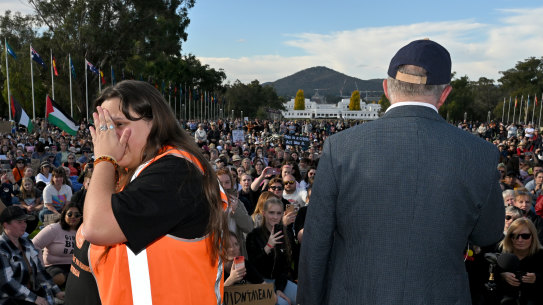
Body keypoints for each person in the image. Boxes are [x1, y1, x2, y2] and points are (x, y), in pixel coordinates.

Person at [297, 39, 505, 305]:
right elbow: (488, 235)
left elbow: (316, 246)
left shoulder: (341, 147)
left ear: (386, 88)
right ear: (445, 94)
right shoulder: (480, 153)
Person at [79, 80, 229, 305]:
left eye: (117, 124)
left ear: (155, 122)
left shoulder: (176, 172)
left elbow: (96, 227)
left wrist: (103, 158)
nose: (108, 136)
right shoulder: (134, 172)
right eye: (103, 127)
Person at [0, 206, 64, 304]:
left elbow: (39, 271)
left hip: (31, 292)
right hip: (10, 298)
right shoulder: (1, 248)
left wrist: (56, 291)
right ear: (5, 225)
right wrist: (35, 298)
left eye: (25, 221)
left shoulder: (26, 242)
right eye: (19, 222)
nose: (24, 225)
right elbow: (7, 282)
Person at [246, 197, 297, 305]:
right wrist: (268, 247)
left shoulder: (287, 234)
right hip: (260, 282)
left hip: (280, 281)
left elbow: (285, 266)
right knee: (283, 304)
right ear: (264, 213)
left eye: (278, 213)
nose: (275, 217)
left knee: (304, 297)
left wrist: (279, 289)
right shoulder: (254, 235)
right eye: (271, 213)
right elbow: (252, 265)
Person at [32, 203, 82, 287]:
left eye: (77, 215)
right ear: (64, 215)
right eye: (70, 214)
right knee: (59, 278)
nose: (73, 217)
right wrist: (41, 266)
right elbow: (34, 245)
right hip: (53, 265)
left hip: (74, 266)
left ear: (81, 217)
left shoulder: (82, 231)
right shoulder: (54, 228)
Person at [497, 218, 543, 305]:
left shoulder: (540, 255)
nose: (520, 240)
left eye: (525, 236)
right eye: (515, 236)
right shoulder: (500, 252)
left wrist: (537, 278)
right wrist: (501, 276)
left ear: (533, 236)